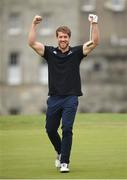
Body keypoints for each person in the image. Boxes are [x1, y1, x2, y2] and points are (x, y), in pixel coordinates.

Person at [28, 14, 100, 173]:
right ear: (57, 38)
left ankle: (64, 163)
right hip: (54, 98)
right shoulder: (49, 52)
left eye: (65, 37)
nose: (63, 39)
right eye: (60, 37)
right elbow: (31, 43)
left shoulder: (76, 52)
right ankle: (60, 152)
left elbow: (95, 42)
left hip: (71, 97)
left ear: (69, 38)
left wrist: (94, 23)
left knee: (67, 128)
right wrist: (34, 24)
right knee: (50, 129)